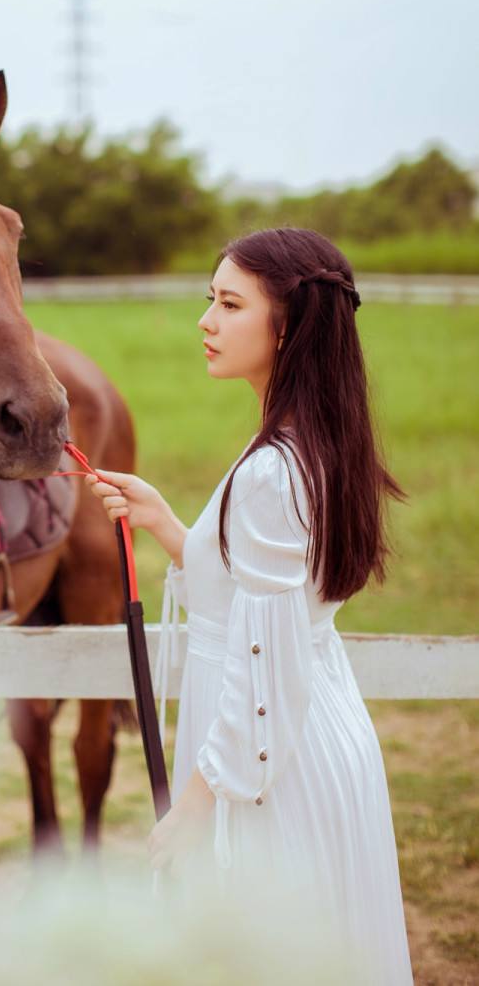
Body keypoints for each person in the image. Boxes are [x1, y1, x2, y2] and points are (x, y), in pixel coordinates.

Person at [86, 228, 413, 984]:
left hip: (272, 768)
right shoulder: (307, 444)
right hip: (305, 738)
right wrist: (171, 527)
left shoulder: (272, 471)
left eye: (229, 303)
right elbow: (264, 603)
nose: (206, 319)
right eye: (210, 299)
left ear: (287, 328)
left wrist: (197, 805)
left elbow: (265, 668)